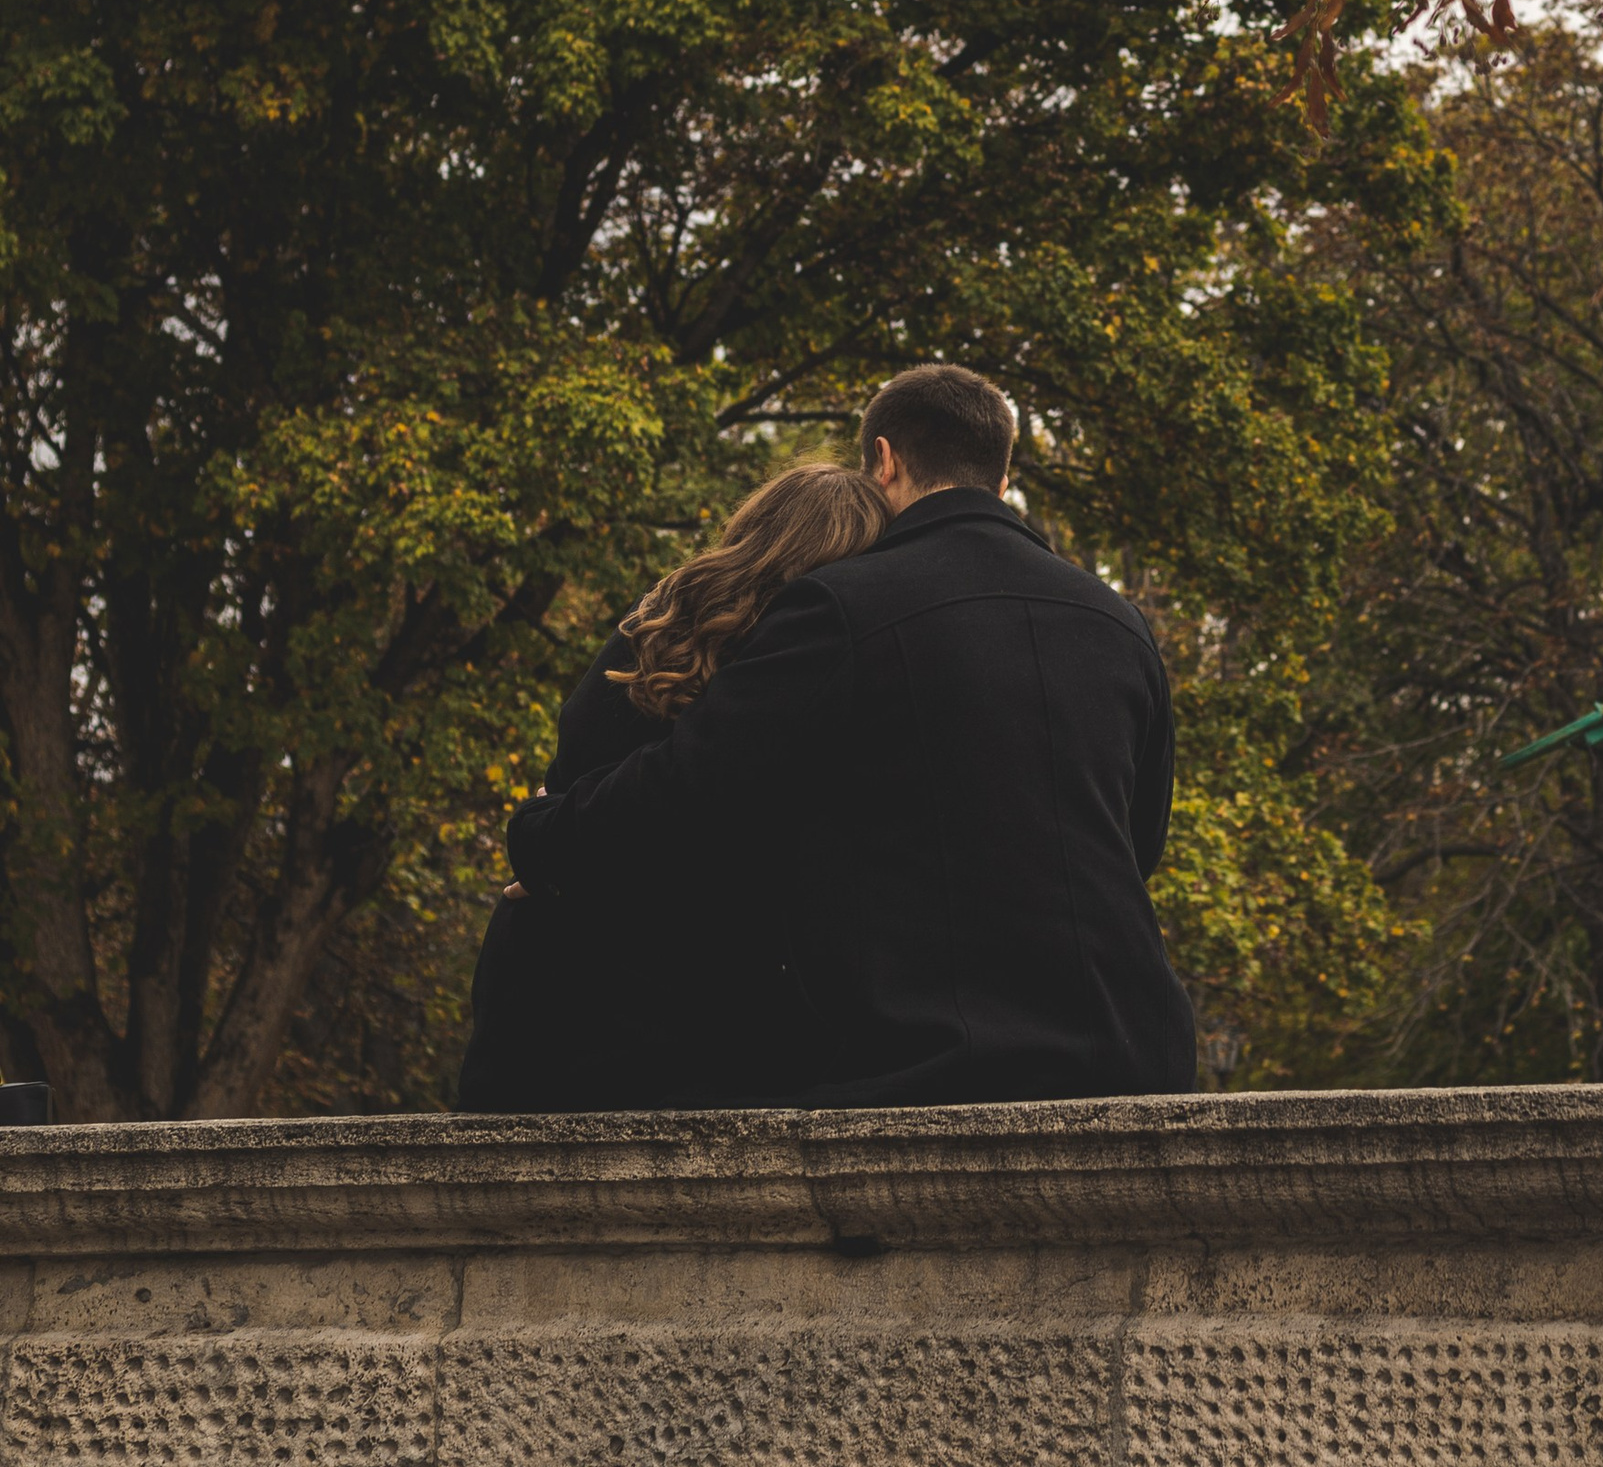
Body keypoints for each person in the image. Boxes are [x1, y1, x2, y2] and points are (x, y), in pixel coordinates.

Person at [502, 362, 1196, 1109]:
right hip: (1139, 1052)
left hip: (938, 1060)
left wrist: (541, 835)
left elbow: (692, 787)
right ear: (1002, 476)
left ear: (885, 459)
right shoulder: (1119, 622)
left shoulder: (841, 604)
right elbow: (1137, 844)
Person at [458, 454, 887, 1111]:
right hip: (645, 992)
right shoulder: (788, 665)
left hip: (540, 957)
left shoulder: (658, 619)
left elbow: (575, 770)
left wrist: (550, 840)